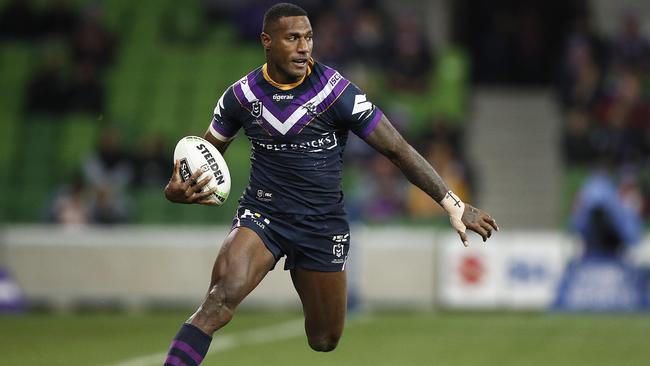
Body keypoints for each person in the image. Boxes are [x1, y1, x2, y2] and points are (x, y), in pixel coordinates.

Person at [162, 3, 498, 365]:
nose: (304, 46)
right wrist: (175, 190)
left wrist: (453, 203)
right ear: (267, 41)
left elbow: (398, 150)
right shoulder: (240, 96)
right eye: (293, 38)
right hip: (263, 216)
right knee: (217, 302)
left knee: (324, 339)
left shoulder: (337, 93)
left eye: (308, 37)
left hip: (321, 224)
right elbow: (204, 157)